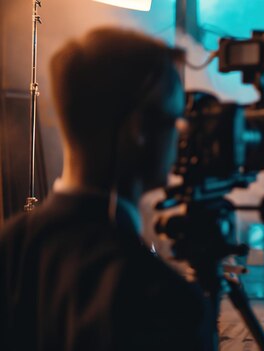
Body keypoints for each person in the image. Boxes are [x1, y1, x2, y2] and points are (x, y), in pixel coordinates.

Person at [0, 28, 208, 350]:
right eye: (174, 122)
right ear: (139, 128)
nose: (180, 139)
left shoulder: (8, 246)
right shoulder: (163, 299)